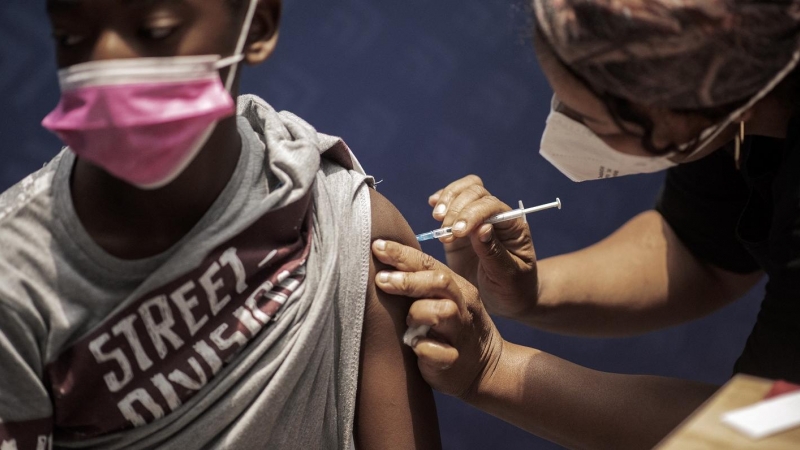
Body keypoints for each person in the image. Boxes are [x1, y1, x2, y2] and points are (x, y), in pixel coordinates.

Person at [0, 0, 440, 449]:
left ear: (257, 26)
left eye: (156, 30)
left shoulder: (339, 223)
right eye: (71, 38)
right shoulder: (14, 282)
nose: (106, 63)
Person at [371, 0, 800, 449]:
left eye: (594, 122)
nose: (572, 131)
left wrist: (490, 369)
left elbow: (767, 427)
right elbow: (702, 254)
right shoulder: (730, 104)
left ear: (696, 98)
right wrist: (523, 291)